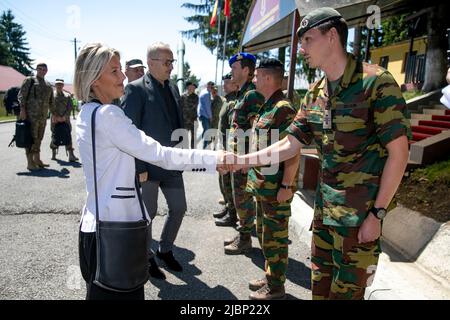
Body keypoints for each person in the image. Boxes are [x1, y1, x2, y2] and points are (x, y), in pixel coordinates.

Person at [229, 7, 411, 300]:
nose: (301, 49)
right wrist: (242, 161)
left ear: (331, 37)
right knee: (320, 293)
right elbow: (290, 143)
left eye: (307, 40)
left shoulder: (376, 83)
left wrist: (377, 214)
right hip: (325, 216)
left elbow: (399, 154)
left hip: (358, 220)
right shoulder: (316, 93)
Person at [74, 43, 228, 300]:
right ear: (94, 78)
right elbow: (160, 154)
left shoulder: (88, 112)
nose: (123, 76)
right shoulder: (109, 115)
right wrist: (216, 158)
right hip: (116, 231)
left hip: (94, 228)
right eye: (114, 71)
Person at [121, 42, 187, 280]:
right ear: (151, 63)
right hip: (147, 166)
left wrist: (183, 155)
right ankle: (147, 257)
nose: (170, 67)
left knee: (179, 208)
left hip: (172, 164)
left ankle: (165, 249)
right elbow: (129, 133)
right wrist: (138, 168)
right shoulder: (135, 90)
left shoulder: (173, 88)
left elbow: (178, 124)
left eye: (172, 62)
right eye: (166, 62)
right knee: (149, 213)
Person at [246, 58, 299, 300]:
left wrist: (287, 185)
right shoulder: (267, 106)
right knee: (265, 235)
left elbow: (293, 150)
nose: (254, 80)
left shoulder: (283, 108)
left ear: (267, 78)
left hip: (276, 188)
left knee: (275, 239)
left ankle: (276, 287)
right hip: (262, 187)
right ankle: (271, 277)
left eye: (256, 76)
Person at [220, 53, 265, 255]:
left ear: (246, 71)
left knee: (243, 199)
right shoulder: (241, 94)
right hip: (236, 158)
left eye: (235, 68)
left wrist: (249, 160)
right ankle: (243, 234)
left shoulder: (252, 95)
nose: (232, 71)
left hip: (244, 160)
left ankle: (245, 239)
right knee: (239, 199)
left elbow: (258, 130)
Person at [18, 62, 54, 171]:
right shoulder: (30, 80)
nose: (42, 71)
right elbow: (21, 95)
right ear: (36, 69)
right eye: (40, 69)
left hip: (43, 117)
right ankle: (30, 162)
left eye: (44, 69)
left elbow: (51, 101)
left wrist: (54, 114)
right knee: (30, 138)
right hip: (30, 116)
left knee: (39, 138)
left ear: (46, 71)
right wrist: (22, 109)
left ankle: (37, 160)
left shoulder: (48, 85)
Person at [214, 73, 239, 221]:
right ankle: (228, 207)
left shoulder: (234, 102)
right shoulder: (227, 100)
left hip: (228, 149)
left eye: (227, 83)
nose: (224, 85)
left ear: (235, 84)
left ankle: (232, 213)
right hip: (222, 147)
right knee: (223, 181)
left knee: (228, 182)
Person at [49, 79, 79, 162]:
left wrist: (65, 116)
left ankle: (71, 155)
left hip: (66, 119)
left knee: (67, 135)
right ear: (55, 85)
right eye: (57, 84)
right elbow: (50, 106)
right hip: (55, 119)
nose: (59, 86)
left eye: (61, 84)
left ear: (63, 85)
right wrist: (56, 116)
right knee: (54, 135)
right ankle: (54, 153)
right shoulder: (51, 95)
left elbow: (70, 107)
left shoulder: (67, 95)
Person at [180, 81, 199, 149]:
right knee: (184, 137)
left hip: (193, 120)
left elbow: (194, 106)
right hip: (185, 120)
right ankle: (185, 151)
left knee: (194, 137)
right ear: (188, 87)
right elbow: (180, 107)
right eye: (192, 87)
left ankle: (193, 151)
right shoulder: (182, 96)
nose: (193, 89)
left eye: (194, 88)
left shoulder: (196, 97)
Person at [198, 81, 214, 149]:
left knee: (205, 130)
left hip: (202, 114)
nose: (211, 88)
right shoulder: (206, 94)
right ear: (208, 86)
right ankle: (204, 146)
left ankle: (204, 144)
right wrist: (210, 117)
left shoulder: (203, 92)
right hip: (205, 115)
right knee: (207, 130)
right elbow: (207, 107)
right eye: (211, 86)